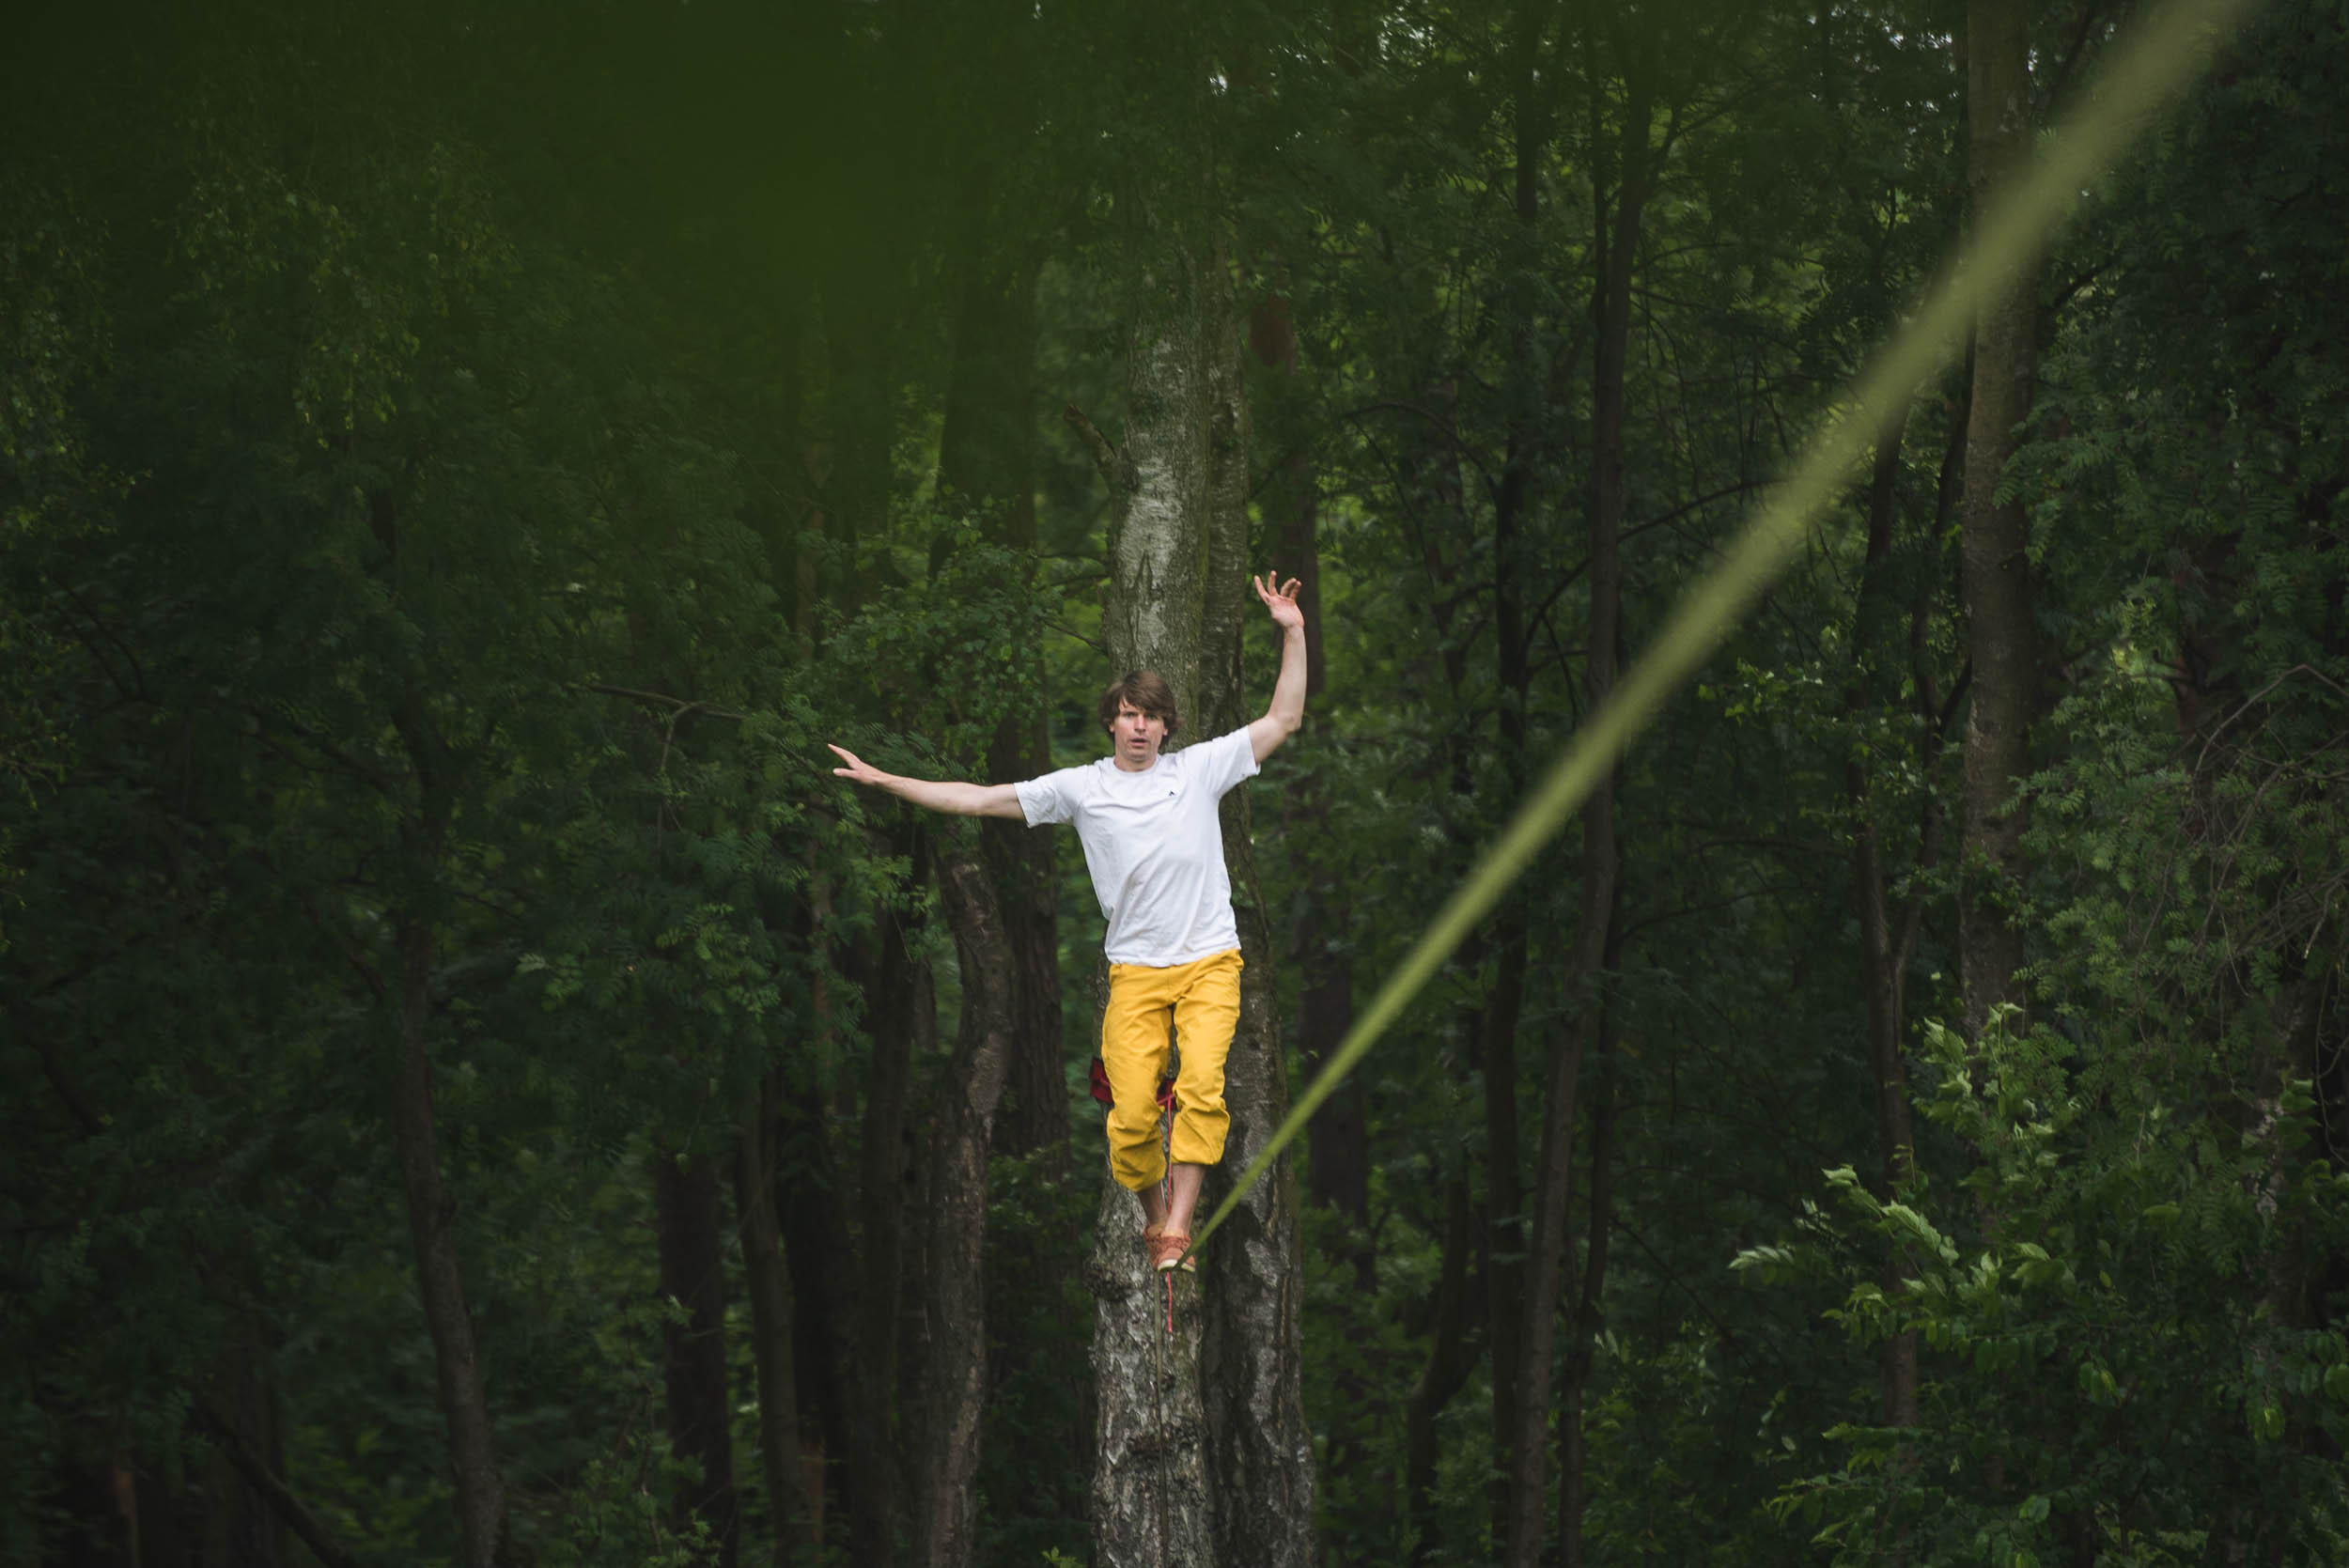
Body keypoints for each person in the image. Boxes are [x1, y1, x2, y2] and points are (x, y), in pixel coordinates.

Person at [828, 570, 1308, 1273]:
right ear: (1111, 720)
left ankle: (1178, 1226)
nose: (1140, 726)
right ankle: (1153, 1218)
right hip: (1137, 969)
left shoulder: (1200, 768)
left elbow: (1282, 720)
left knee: (1203, 1087)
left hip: (1210, 960)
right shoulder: (1080, 788)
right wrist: (887, 780)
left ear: (1167, 725)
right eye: (1128, 714)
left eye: (1152, 716)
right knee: (1135, 1115)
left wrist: (1292, 630)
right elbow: (978, 799)